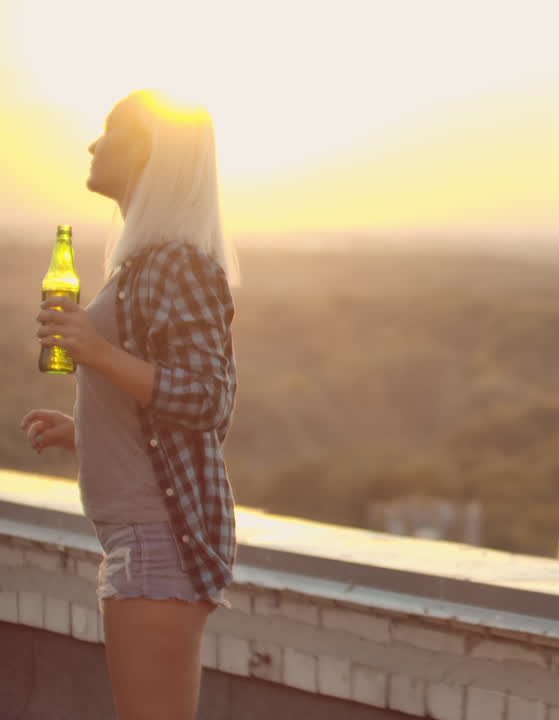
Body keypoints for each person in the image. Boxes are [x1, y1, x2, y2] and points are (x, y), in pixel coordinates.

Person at [20, 89, 239, 720]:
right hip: (138, 538)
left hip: (158, 540)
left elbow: (208, 398)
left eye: (110, 130)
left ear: (149, 152)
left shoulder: (177, 262)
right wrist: (86, 432)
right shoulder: (141, 264)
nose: (94, 143)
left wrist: (92, 348)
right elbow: (156, 409)